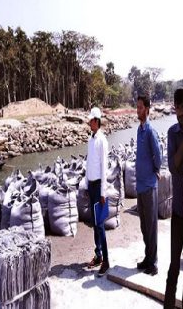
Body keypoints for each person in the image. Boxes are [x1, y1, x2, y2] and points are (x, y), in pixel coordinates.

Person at [164, 89, 183, 309]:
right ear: (174, 109)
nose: (181, 112)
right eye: (177, 107)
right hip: (177, 213)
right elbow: (173, 168)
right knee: (174, 265)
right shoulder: (172, 133)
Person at [135, 95, 161, 276]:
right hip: (140, 185)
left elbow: (158, 155)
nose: (138, 111)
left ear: (147, 109)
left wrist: (156, 170)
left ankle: (154, 263)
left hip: (150, 185)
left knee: (151, 225)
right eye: (137, 107)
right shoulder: (139, 130)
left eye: (140, 108)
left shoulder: (150, 131)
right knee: (144, 225)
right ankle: (147, 257)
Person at [84, 107, 110, 276]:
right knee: (94, 224)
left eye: (91, 120)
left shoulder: (102, 141)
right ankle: (98, 254)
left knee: (100, 225)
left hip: (99, 185)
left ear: (97, 121)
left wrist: (103, 192)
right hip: (91, 186)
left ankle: (106, 260)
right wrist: (86, 184)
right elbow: (89, 163)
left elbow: (103, 168)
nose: (89, 122)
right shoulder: (90, 140)